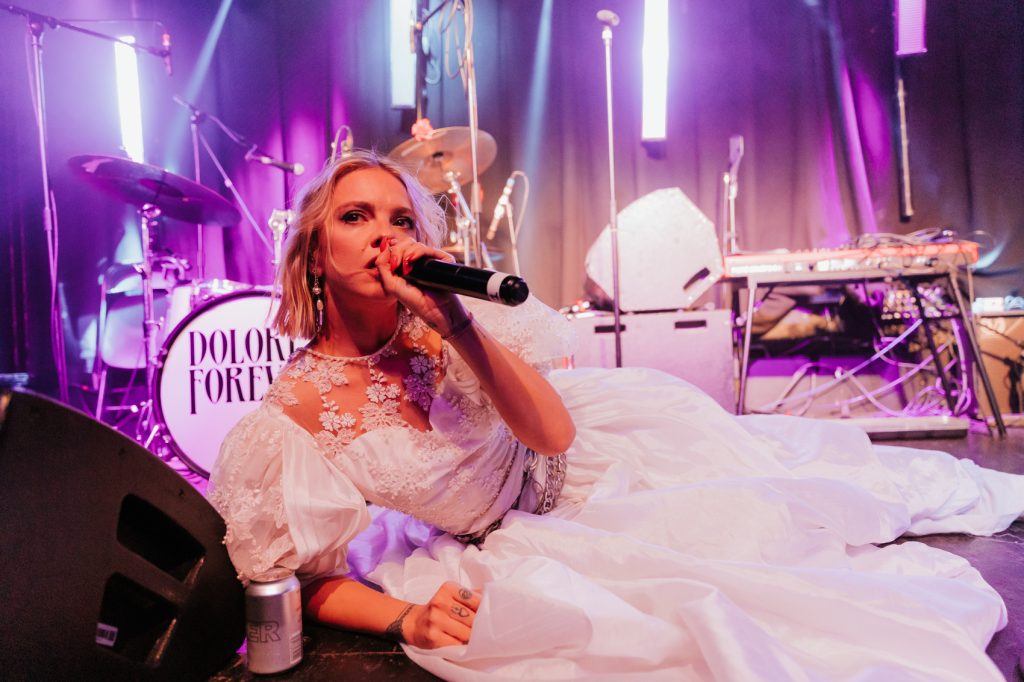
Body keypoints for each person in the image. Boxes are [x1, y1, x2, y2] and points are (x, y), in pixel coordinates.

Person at [210, 150, 1024, 681]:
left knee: (779, 507)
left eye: (399, 219)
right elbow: (307, 580)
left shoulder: (449, 315)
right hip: (505, 535)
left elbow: (552, 434)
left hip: (596, 452)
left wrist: (454, 323)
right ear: (313, 252)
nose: (383, 236)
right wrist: (405, 618)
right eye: (355, 217)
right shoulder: (291, 415)